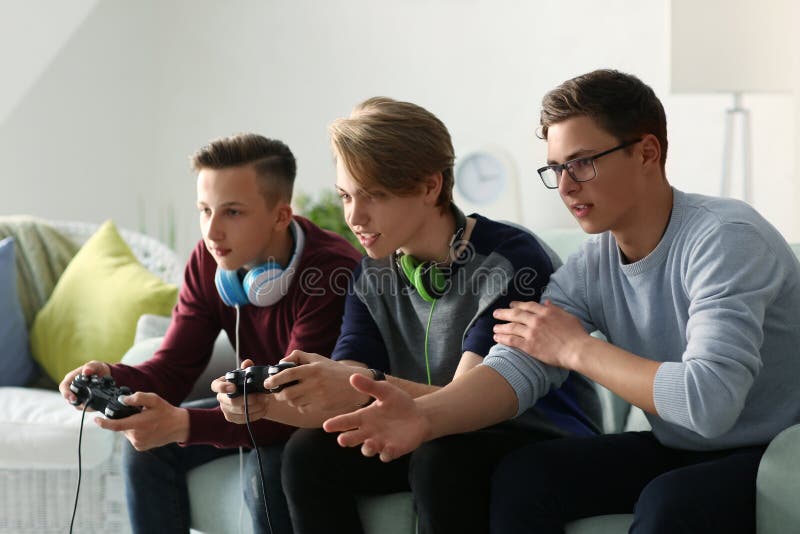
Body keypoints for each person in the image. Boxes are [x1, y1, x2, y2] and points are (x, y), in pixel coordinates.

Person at [324, 70, 800, 533]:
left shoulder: (725, 238)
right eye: (556, 168)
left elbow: (708, 403)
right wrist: (425, 416)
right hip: (684, 444)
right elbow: (518, 365)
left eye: (582, 163)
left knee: (671, 502)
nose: (567, 185)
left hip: (778, 449)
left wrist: (577, 350)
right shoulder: (593, 264)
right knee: (525, 477)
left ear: (647, 152)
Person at [212, 97, 602, 534]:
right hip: (423, 428)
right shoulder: (371, 273)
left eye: (374, 196)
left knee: (444, 458)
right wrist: (269, 404)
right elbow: (351, 388)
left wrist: (356, 385)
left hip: (529, 434)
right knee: (307, 453)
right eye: (346, 196)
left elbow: (467, 400)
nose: (354, 217)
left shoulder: (511, 261)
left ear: (430, 186)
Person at [59, 133, 361, 534]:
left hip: (313, 421)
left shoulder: (329, 271)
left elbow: (295, 407)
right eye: (205, 210)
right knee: (147, 451)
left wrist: (182, 423)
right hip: (254, 406)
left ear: (280, 216)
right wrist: (113, 377)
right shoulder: (209, 261)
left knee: (267, 468)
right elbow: (173, 368)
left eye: (232, 212)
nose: (212, 232)